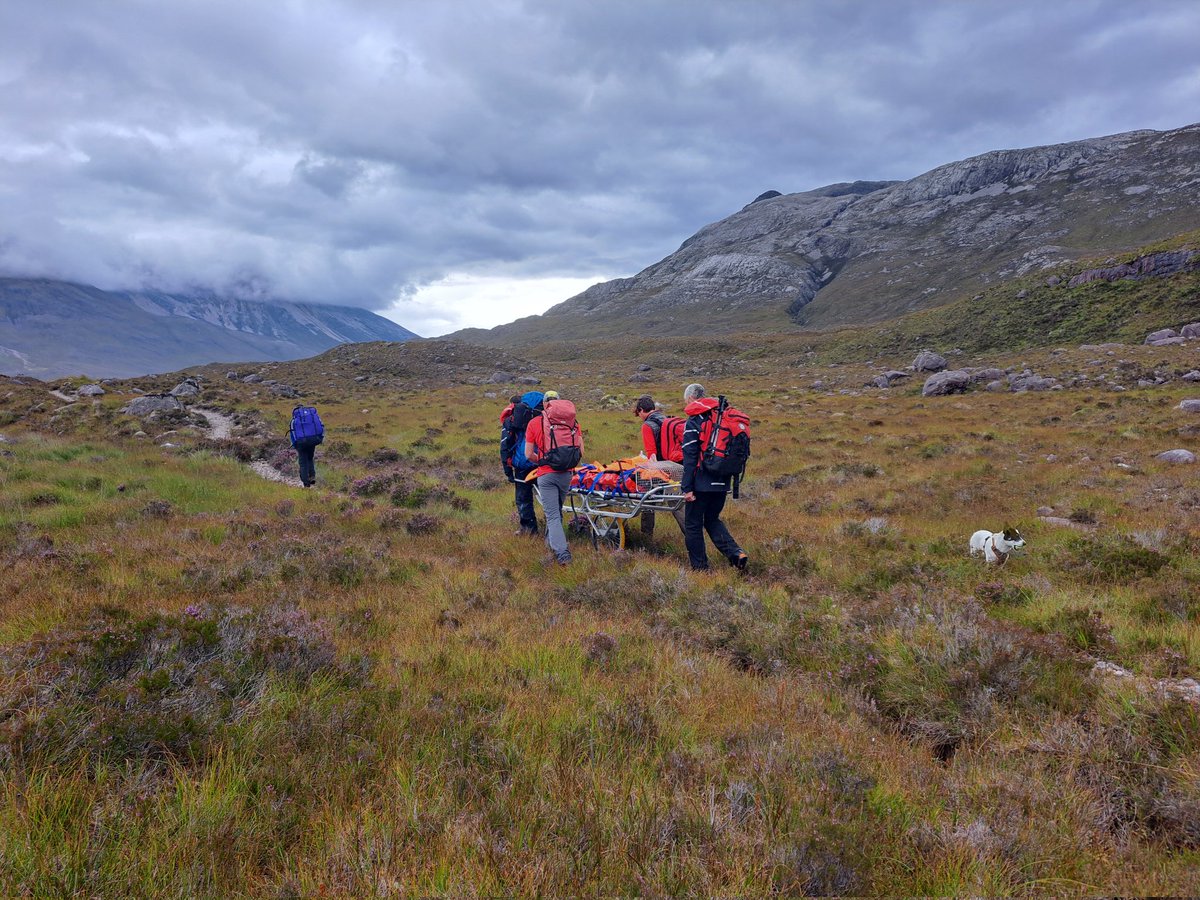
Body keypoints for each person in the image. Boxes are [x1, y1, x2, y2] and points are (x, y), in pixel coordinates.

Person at [680, 383, 748, 571]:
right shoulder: (720, 415)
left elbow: (690, 458)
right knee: (712, 519)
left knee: (693, 525)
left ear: (691, 399)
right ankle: (736, 553)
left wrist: (687, 488)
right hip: (723, 479)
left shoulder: (695, 420)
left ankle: (701, 569)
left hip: (701, 483)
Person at [524, 390, 582, 565]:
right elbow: (581, 451)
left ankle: (562, 553)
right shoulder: (573, 423)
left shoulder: (535, 423)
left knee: (553, 516)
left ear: (544, 404)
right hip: (566, 474)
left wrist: (541, 461)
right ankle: (551, 543)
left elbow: (528, 454)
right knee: (556, 511)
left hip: (546, 475)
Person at [633, 395, 686, 538]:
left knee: (648, 498)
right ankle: (693, 534)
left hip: (664, 469)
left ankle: (646, 535)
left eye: (639, 414)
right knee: (678, 503)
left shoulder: (647, 425)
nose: (640, 417)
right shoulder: (666, 419)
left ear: (642, 410)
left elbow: (652, 456)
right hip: (679, 466)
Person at [502, 391, 542, 536]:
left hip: (522, 464)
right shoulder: (544, 416)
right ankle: (553, 531)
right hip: (543, 463)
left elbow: (505, 445)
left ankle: (529, 531)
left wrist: (508, 470)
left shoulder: (512, 419)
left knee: (523, 499)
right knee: (549, 500)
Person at [288, 404, 324, 488]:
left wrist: (295, 445)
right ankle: (312, 477)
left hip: (301, 443)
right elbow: (321, 427)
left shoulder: (294, 420)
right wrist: (320, 437)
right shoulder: (312, 417)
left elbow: (293, 434)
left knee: (303, 462)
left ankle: (306, 483)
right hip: (313, 440)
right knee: (309, 458)